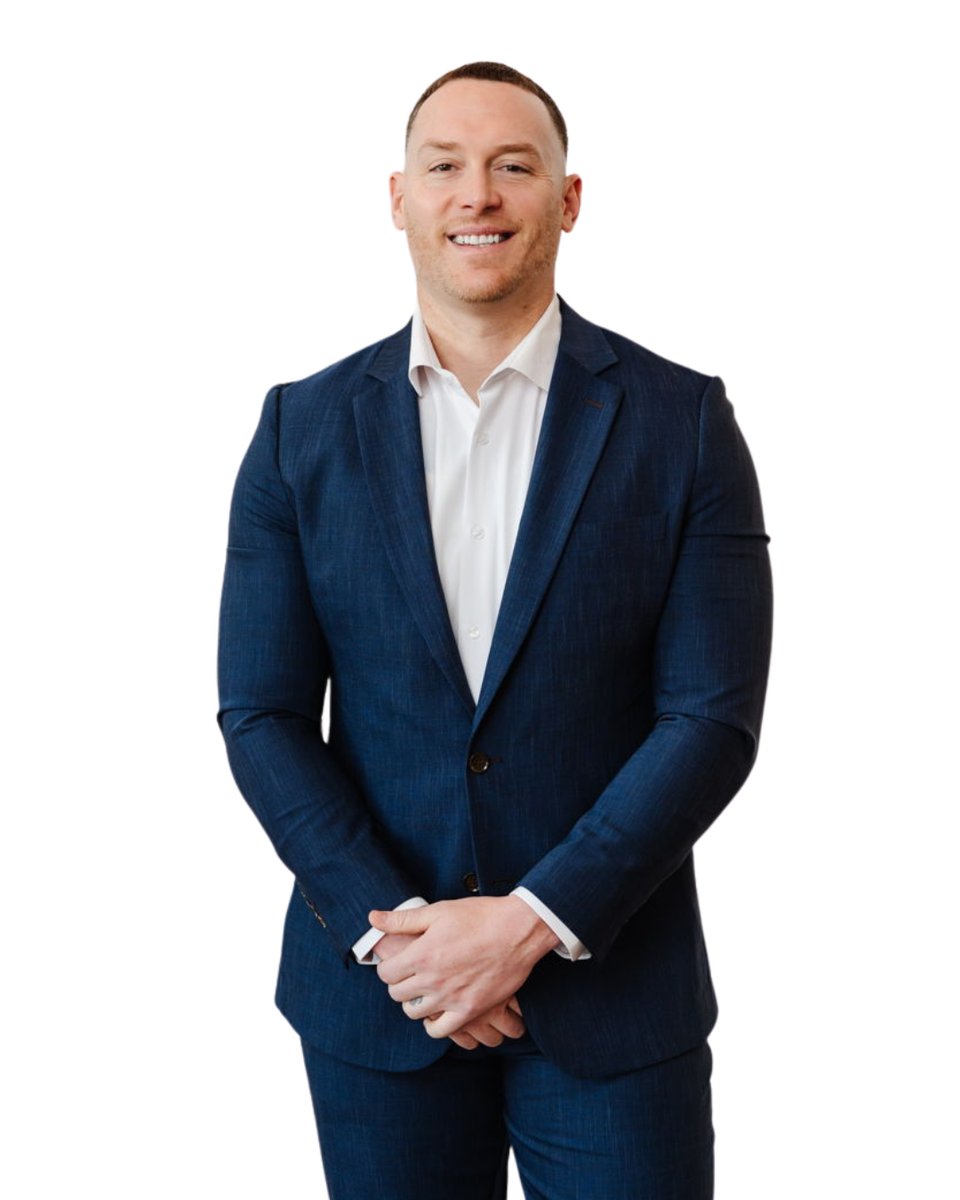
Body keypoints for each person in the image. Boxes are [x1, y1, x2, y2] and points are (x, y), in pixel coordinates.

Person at [217, 60, 772, 1200]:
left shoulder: (683, 422)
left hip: (615, 996)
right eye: (445, 166)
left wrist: (529, 923)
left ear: (568, 200)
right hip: (383, 998)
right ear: (399, 198)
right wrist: (405, 942)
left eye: (514, 166)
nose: (478, 193)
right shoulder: (296, 431)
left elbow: (710, 719)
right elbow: (261, 713)